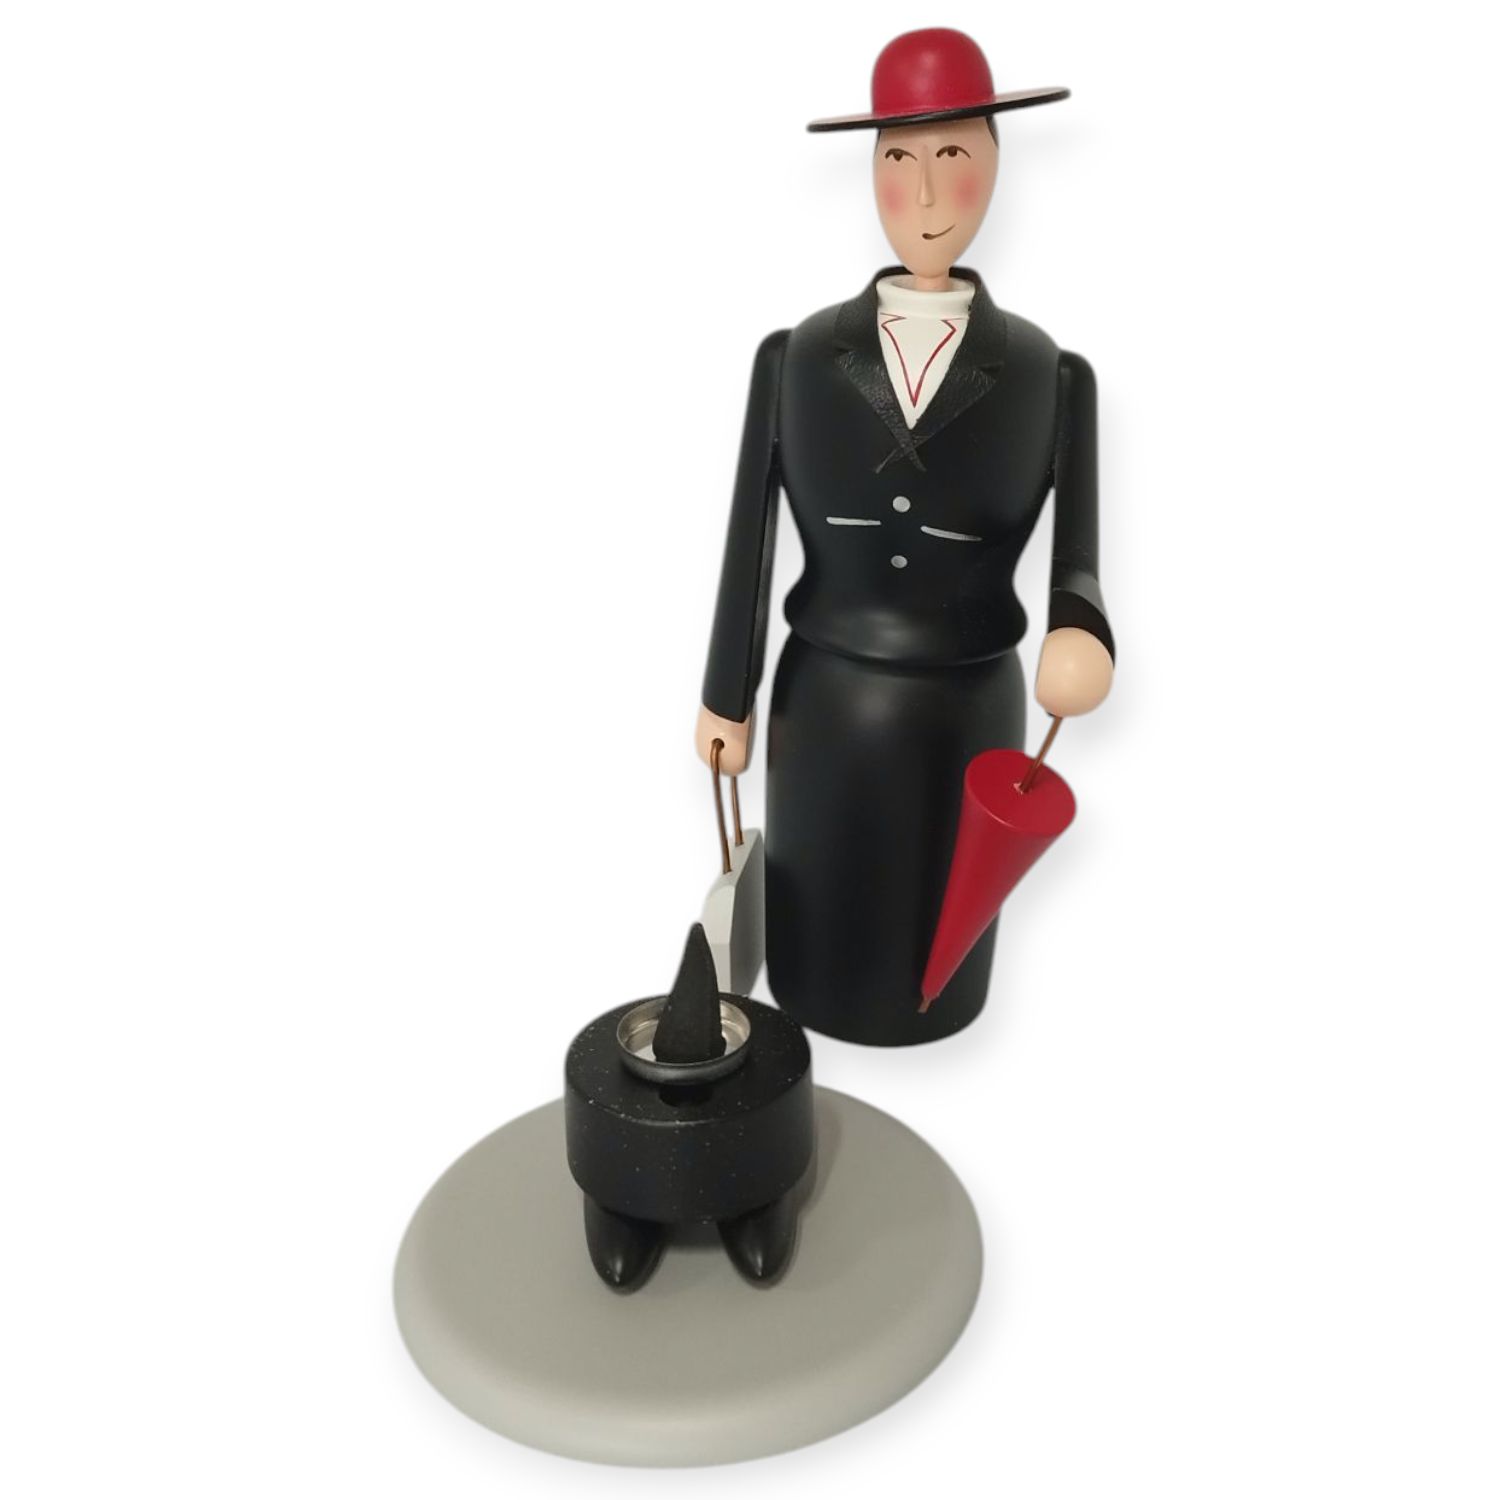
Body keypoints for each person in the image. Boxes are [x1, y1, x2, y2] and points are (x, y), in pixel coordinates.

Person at [696, 29, 1114, 1046]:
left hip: (969, 707)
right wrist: (725, 693)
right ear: (871, 170)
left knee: (941, 913)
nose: (926, 193)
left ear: (996, 166)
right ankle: (815, 1000)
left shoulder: (1051, 374)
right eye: (899, 158)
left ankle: (933, 1005)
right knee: (820, 896)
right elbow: (749, 531)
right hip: (823, 697)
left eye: (953, 154)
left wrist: (1081, 629)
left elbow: (1079, 556)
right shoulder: (796, 355)